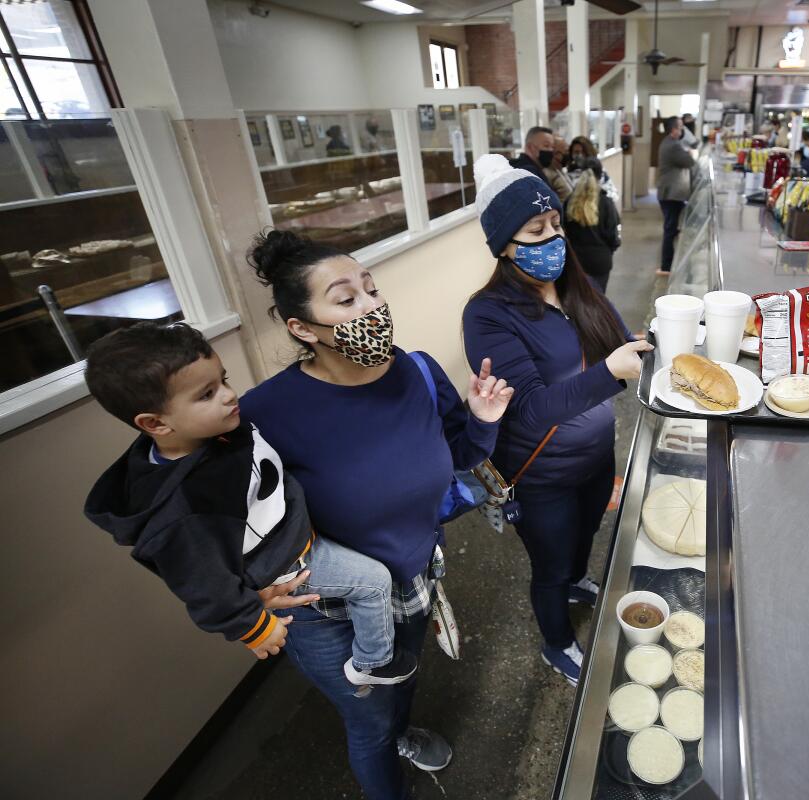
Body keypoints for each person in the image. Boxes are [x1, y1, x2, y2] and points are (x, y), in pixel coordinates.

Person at [239, 229, 514, 799]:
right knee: (366, 722)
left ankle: (402, 730)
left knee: (400, 680)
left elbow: (458, 455)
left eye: (371, 289)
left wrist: (483, 419)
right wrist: (242, 592)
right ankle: (386, 749)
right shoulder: (264, 413)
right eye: (345, 299)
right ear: (301, 328)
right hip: (326, 608)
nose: (372, 306)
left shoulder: (415, 371)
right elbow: (205, 515)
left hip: (411, 577)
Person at [82, 322, 420, 686]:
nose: (228, 395)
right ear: (155, 423)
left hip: (299, 535)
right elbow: (203, 585)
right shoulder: (184, 508)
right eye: (206, 394)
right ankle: (374, 661)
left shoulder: (220, 431)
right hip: (286, 566)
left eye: (224, 381)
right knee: (373, 582)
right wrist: (254, 628)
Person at [462, 154, 652, 685]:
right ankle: (557, 642)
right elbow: (529, 407)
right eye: (535, 231)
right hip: (539, 474)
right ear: (503, 245)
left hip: (593, 457)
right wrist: (610, 374)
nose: (553, 240)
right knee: (548, 564)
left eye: (555, 225)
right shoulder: (488, 314)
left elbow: (616, 336)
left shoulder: (577, 284)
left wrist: (649, 339)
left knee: (586, 531)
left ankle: (575, 578)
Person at [564, 157, 621, 292]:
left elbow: (564, 231)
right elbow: (613, 236)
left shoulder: (569, 202)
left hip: (576, 262)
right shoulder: (606, 203)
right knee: (598, 300)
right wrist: (610, 249)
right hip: (600, 262)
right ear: (601, 176)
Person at [657, 116, 696, 275]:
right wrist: (691, 153)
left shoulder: (672, 143)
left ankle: (668, 263)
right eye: (680, 128)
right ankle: (666, 266)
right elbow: (690, 161)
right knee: (670, 230)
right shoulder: (672, 146)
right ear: (673, 130)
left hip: (673, 194)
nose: (682, 131)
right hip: (671, 195)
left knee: (671, 229)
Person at [566, 136, 620, 204]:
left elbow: (614, 195)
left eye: (584, 152)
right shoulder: (568, 175)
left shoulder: (600, 172)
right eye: (576, 152)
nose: (580, 155)